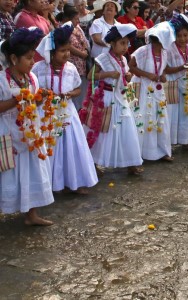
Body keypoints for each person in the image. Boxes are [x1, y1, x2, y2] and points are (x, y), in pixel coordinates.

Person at [33, 23, 98, 194]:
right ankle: (49, 184)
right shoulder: (38, 69)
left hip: (67, 112)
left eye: (68, 50)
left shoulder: (71, 68)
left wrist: (69, 94)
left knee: (71, 146)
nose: (67, 54)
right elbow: (34, 91)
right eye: (62, 51)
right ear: (51, 53)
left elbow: (78, 88)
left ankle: (75, 181)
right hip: (46, 114)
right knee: (48, 145)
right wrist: (44, 95)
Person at [0, 27, 54, 225]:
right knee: (7, 172)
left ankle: (32, 215)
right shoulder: (2, 81)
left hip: (30, 133)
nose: (33, 62)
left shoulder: (32, 78)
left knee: (32, 171)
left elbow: (33, 104)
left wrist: (41, 98)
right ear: (14, 59)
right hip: (8, 134)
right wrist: (17, 101)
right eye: (29, 58)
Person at [84, 24, 143, 175]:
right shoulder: (103, 58)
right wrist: (107, 74)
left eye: (127, 43)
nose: (125, 47)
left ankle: (132, 161)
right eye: (122, 43)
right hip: (106, 97)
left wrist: (127, 77)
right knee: (103, 129)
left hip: (121, 97)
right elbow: (90, 75)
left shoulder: (123, 59)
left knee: (127, 128)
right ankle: (95, 162)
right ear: (112, 43)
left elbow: (124, 77)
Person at [129, 21, 175, 161]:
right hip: (143, 88)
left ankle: (161, 150)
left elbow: (163, 69)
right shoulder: (142, 51)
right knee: (144, 118)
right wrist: (147, 75)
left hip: (157, 89)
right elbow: (131, 67)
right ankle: (141, 153)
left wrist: (162, 76)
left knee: (159, 118)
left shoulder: (164, 53)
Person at [165, 14, 188, 150]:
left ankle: (187, 141)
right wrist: (182, 67)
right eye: (179, 36)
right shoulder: (169, 50)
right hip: (174, 85)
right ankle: (169, 143)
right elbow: (166, 69)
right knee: (172, 114)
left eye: (185, 35)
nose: (182, 39)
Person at [56, 4, 90, 110]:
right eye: (75, 19)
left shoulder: (76, 28)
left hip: (81, 64)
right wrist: (81, 53)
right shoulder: (63, 30)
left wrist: (85, 50)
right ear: (67, 19)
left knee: (81, 89)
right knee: (72, 89)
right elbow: (68, 46)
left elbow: (84, 42)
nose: (78, 21)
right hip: (73, 62)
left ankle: (80, 110)